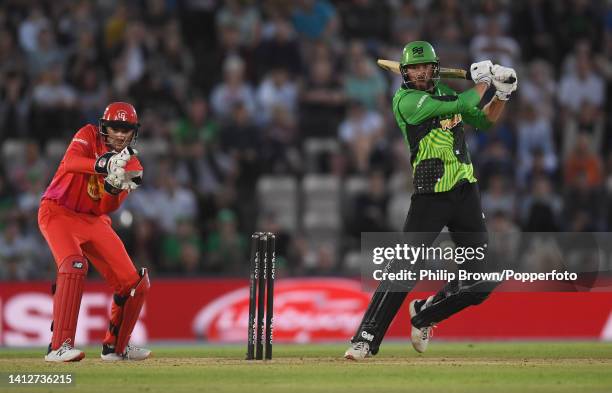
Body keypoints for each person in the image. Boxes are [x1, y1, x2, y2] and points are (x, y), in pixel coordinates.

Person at [344, 41, 517, 360]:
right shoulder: (406, 101)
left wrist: (502, 94)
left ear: (435, 70)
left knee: (479, 282)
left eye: (425, 68)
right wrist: (482, 81)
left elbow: (483, 121)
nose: (420, 73)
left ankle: (425, 314)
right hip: (431, 194)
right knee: (404, 268)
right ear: (405, 73)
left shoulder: (448, 95)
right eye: (413, 69)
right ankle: (365, 339)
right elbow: (464, 101)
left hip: (466, 191)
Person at [38, 102, 151, 362]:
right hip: (58, 211)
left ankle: (116, 347)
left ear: (134, 132)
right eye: (115, 128)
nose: (121, 134)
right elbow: (70, 163)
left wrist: (112, 188)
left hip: (93, 219)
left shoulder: (132, 163)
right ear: (104, 127)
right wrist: (106, 165)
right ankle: (59, 346)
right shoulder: (88, 134)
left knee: (133, 282)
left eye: (127, 129)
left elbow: (106, 207)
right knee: (74, 265)